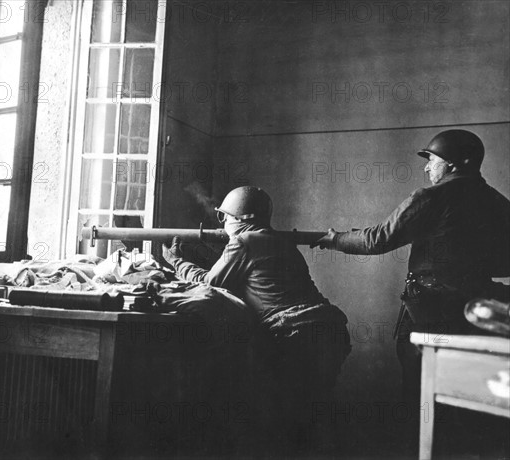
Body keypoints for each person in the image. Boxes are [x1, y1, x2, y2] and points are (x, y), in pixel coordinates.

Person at [314, 129, 510, 453]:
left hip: (430, 315)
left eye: (431, 160)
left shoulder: (433, 198)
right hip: (478, 313)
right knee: (472, 401)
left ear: (450, 164)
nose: (426, 168)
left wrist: (336, 238)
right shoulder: (498, 203)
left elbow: (378, 239)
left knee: (422, 400)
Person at [162, 185, 351, 455]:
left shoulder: (244, 241)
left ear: (241, 219)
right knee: (314, 414)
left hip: (294, 337)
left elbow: (211, 283)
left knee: (277, 421)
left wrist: (177, 262)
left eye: (224, 217)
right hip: (328, 331)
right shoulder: (281, 243)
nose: (223, 223)